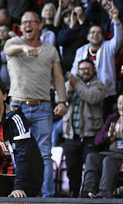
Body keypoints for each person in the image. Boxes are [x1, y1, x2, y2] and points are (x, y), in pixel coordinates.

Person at [4, 11, 67, 197]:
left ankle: (47, 197)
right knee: (16, 153)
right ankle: (17, 192)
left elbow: (58, 77)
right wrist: (23, 49)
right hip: (17, 107)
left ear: (40, 25)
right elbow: (7, 50)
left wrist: (62, 101)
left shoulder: (50, 49)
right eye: (24, 22)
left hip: (42, 107)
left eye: (31, 22)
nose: (27, 25)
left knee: (45, 155)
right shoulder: (14, 43)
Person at [71, 2, 122, 119]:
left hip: (106, 94)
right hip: (84, 93)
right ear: (88, 36)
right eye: (92, 32)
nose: (95, 35)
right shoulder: (81, 50)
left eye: (98, 33)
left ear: (103, 36)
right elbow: (75, 70)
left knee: (103, 123)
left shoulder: (108, 47)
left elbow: (118, 38)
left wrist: (116, 20)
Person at [62, 59, 105, 198]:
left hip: (90, 136)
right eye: (82, 69)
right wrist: (69, 89)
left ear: (94, 71)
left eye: (88, 68)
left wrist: (76, 85)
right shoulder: (71, 84)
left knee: (90, 171)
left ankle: (88, 197)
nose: (85, 71)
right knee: (72, 171)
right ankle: (74, 196)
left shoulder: (99, 85)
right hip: (71, 136)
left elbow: (91, 97)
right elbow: (58, 97)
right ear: (77, 70)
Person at [81, 94, 123, 198]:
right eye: (120, 103)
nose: (121, 106)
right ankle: (88, 191)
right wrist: (108, 135)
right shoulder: (113, 118)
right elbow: (97, 140)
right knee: (91, 157)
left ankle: (104, 192)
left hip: (120, 154)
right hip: (112, 151)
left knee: (108, 160)